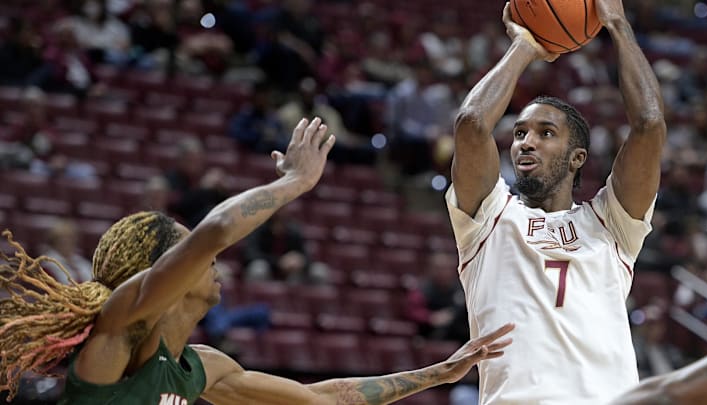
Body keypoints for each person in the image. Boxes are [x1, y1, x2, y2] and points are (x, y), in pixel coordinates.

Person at [0, 117, 514, 404]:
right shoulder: (116, 332)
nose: (212, 259)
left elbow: (324, 399)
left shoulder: (201, 367)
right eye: (186, 253)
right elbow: (215, 232)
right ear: (162, 273)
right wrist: (293, 183)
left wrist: (439, 373)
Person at [446, 0, 666, 403]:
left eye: (545, 133)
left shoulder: (611, 225)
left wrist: (616, 23)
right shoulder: (487, 219)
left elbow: (650, 126)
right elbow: (472, 123)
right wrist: (526, 45)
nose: (526, 142)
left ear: (577, 157)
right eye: (519, 133)